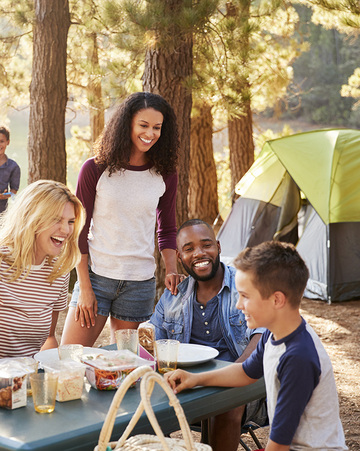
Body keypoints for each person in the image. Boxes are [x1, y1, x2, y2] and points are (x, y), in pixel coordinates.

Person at [165, 241, 348, 451]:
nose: (238, 304)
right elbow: (245, 372)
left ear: (277, 300)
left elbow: (278, 446)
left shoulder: (297, 358)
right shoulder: (275, 332)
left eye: (245, 296)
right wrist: (195, 378)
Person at [61, 91, 182, 347]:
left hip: (139, 283)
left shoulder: (166, 174)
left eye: (157, 128)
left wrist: (171, 268)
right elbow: (78, 231)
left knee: (124, 366)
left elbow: (167, 228)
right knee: (69, 359)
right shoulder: (95, 168)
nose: (150, 133)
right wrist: (84, 288)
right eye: (144, 125)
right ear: (127, 123)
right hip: (97, 276)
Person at [150, 219, 267, 451]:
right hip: (185, 381)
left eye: (206, 245)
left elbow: (262, 335)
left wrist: (237, 372)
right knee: (148, 401)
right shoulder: (173, 296)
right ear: (179, 256)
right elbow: (154, 341)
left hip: (242, 380)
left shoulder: (244, 284)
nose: (199, 253)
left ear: (219, 247)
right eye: (189, 249)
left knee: (227, 401)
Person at [0, 180, 85, 358]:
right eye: (56, 219)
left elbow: (49, 338)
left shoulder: (59, 271)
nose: (66, 230)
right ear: (31, 217)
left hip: (28, 378)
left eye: (70, 221)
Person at [0, 126, 21, 213]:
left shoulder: (13, 167)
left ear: (8, 142)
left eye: (1, 141)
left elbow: (14, 191)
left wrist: (5, 195)